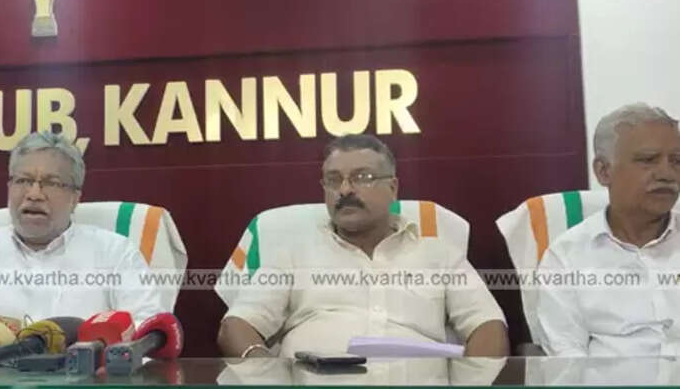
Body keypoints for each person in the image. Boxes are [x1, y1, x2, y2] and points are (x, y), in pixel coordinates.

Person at [216, 134, 508, 358]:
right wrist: (268, 378)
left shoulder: (439, 254)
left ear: (392, 188)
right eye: (333, 180)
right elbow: (237, 326)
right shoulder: (293, 254)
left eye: (362, 177)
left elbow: (488, 326)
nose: (344, 190)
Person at [0, 131, 164, 326]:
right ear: (9, 188)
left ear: (75, 197)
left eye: (50, 183)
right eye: (23, 181)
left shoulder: (116, 253)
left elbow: (146, 329)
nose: (34, 194)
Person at [534, 103, 680, 356]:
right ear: (603, 171)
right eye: (648, 160)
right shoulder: (566, 257)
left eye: (677, 161)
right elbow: (567, 359)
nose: (667, 174)